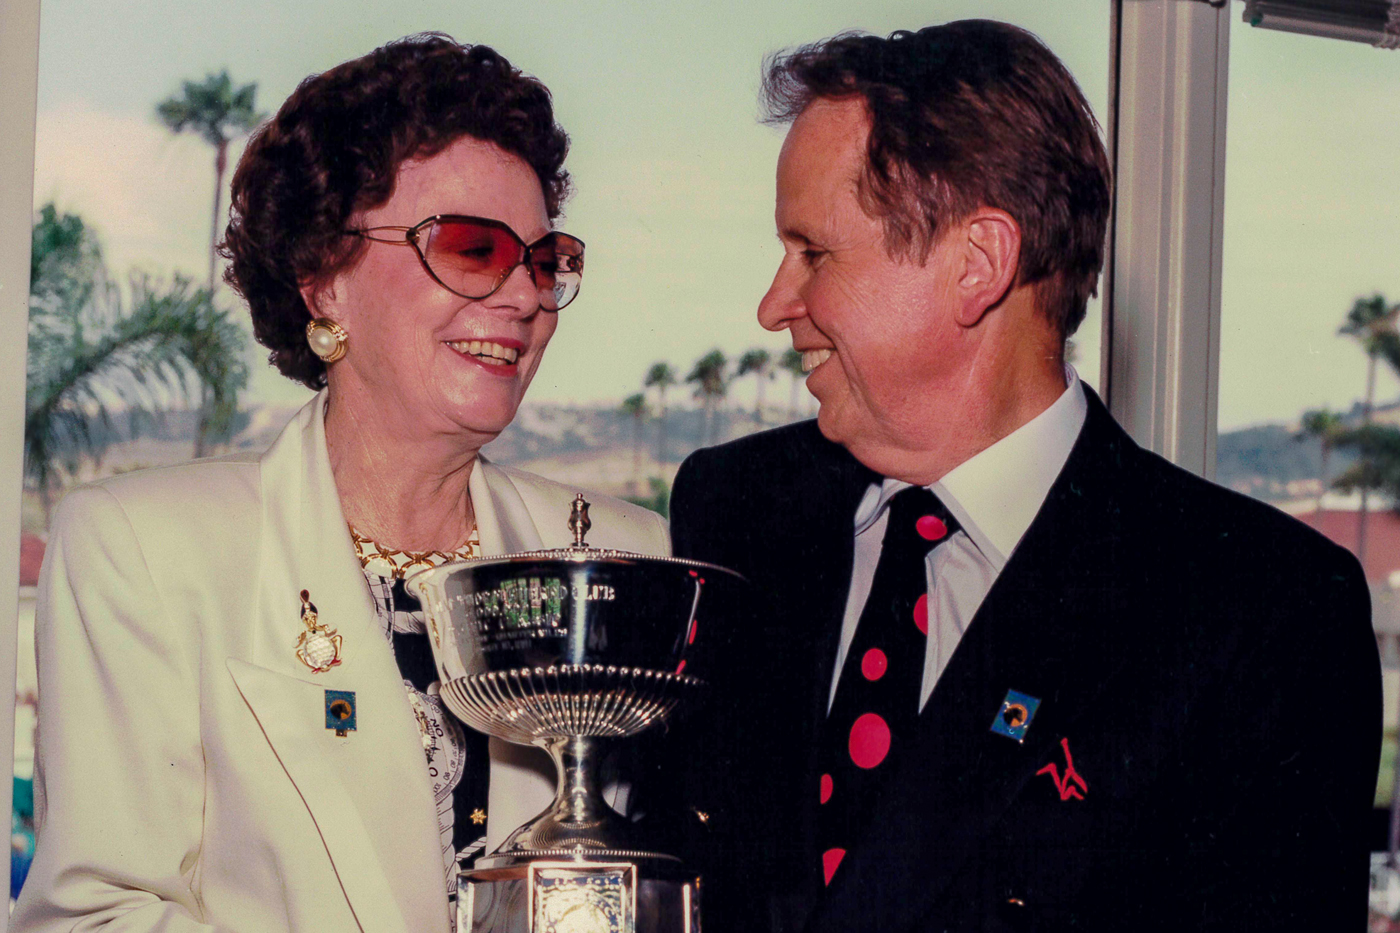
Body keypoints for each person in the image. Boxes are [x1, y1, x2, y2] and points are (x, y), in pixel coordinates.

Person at [659, 20, 1381, 933]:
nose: (774, 305)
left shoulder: (1259, 612)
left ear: (978, 264)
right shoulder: (735, 513)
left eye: (815, 253)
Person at [14, 35, 668, 933]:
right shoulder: (142, 551)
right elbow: (92, 919)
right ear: (324, 279)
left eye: (545, 258)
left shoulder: (633, 557)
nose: (524, 295)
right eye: (473, 248)